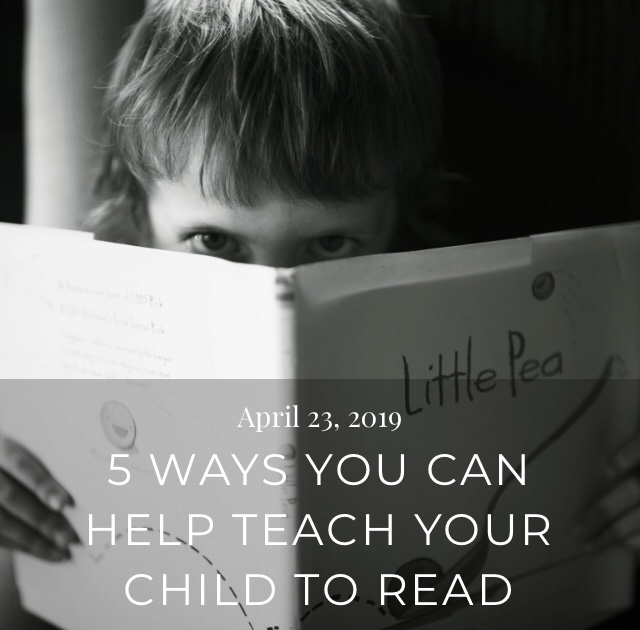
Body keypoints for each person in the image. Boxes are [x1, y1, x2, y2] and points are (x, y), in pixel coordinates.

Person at [1, 0, 639, 620]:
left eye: (330, 243)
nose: (274, 288)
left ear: (401, 217)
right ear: (138, 215)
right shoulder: (68, 345)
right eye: (214, 241)